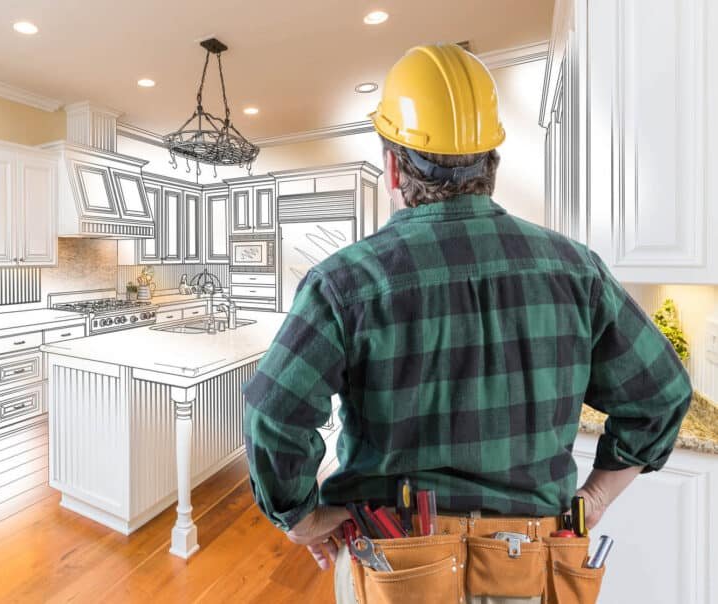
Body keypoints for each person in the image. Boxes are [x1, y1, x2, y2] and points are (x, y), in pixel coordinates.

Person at [242, 43, 692, 603]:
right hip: (529, 568)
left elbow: (273, 411)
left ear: (392, 166)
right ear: (492, 163)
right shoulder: (576, 271)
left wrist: (302, 517)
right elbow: (663, 395)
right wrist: (594, 499)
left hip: (395, 567)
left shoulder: (344, 283)